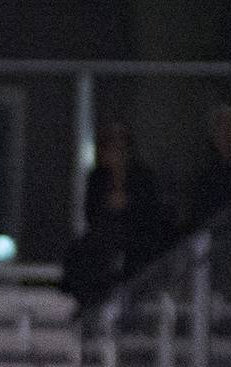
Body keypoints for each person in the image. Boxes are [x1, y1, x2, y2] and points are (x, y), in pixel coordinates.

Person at [63, 119, 173, 311]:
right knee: (80, 253)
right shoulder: (98, 177)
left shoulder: (142, 177)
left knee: (131, 263)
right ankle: (87, 305)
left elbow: (151, 212)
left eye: (121, 145)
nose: (116, 151)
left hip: (135, 238)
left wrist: (128, 203)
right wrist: (108, 205)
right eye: (112, 145)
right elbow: (90, 212)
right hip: (104, 236)